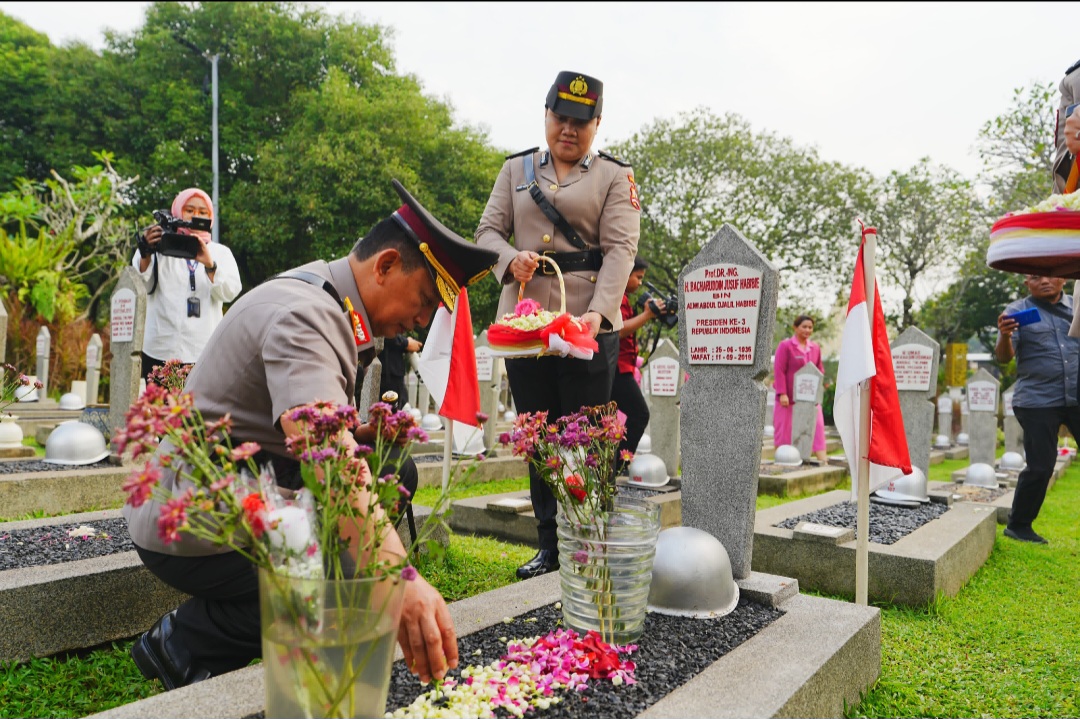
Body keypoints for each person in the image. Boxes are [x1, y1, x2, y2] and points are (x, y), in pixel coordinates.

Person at [123, 179, 499, 690]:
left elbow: (306, 431)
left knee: (392, 470)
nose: (426, 317)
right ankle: (184, 644)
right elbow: (329, 463)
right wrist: (397, 579)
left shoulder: (326, 295)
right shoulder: (308, 314)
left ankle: (224, 627)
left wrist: (359, 434)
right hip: (186, 512)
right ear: (386, 266)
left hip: (241, 484)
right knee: (335, 574)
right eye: (427, 298)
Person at [476, 70, 640, 579]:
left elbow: (620, 251)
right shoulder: (516, 169)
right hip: (526, 328)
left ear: (596, 124)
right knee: (540, 434)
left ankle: (588, 540)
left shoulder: (615, 176)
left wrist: (599, 314)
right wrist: (508, 260)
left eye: (580, 122)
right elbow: (486, 232)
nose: (568, 130)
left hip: (586, 324)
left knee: (585, 437)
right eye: (560, 118)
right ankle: (549, 545)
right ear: (547, 116)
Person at [995, 273, 1080, 544]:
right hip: (1037, 401)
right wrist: (1005, 336)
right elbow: (1004, 357)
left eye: (1050, 275)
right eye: (1035, 277)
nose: (1044, 281)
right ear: (1026, 284)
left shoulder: (1077, 306)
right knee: (1041, 466)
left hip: (1076, 395)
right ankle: (1018, 525)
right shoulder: (1017, 312)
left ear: (1063, 279)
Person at [132, 187, 242, 383]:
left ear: (211, 217)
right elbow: (141, 285)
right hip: (159, 348)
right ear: (177, 212)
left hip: (203, 349)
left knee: (197, 412)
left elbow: (231, 293)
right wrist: (146, 252)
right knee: (159, 411)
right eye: (189, 210)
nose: (195, 216)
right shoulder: (158, 246)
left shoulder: (220, 252)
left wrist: (210, 265)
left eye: (202, 212)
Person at [611, 256, 664, 474]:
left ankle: (614, 465)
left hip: (620, 369)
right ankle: (619, 464)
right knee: (640, 414)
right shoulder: (615, 297)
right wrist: (647, 315)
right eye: (638, 277)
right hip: (616, 370)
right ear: (626, 273)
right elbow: (620, 329)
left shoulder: (623, 298)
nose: (640, 283)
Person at [772, 314, 828, 463]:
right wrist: (782, 393)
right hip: (788, 400)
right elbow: (779, 370)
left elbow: (820, 370)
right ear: (795, 328)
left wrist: (819, 389)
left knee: (817, 428)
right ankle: (781, 461)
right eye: (804, 326)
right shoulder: (785, 346)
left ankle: (824, 463)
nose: (807, 330)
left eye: (810, 327)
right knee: (784, 432)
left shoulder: (815, 348)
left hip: (810, 399)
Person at [379, 333, 423, 409]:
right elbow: (383, 332)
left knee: (403, 408)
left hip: (393, 374)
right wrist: (406, 343)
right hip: (387, 376)